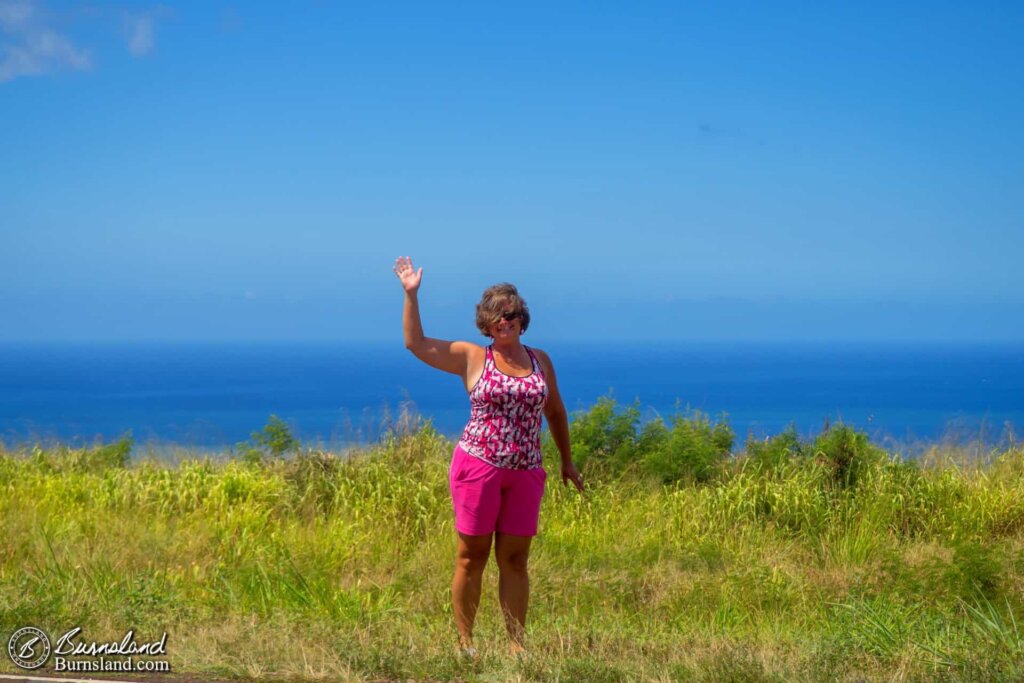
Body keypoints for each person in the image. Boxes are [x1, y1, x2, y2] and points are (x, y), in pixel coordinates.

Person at [392, 255, 585, 659]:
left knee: (515, 559)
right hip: (479, 468)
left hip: (527, 471)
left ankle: (517, 645)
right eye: (497, 315)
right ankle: (466, 643)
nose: (506, 320)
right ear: (486, 322)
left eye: (512, 313)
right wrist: (411, 295)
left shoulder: (540, 361)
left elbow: (556, 412)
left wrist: (567, 461)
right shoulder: (472, 356)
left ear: (522, 317)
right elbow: (416, 344)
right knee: (471, 556)